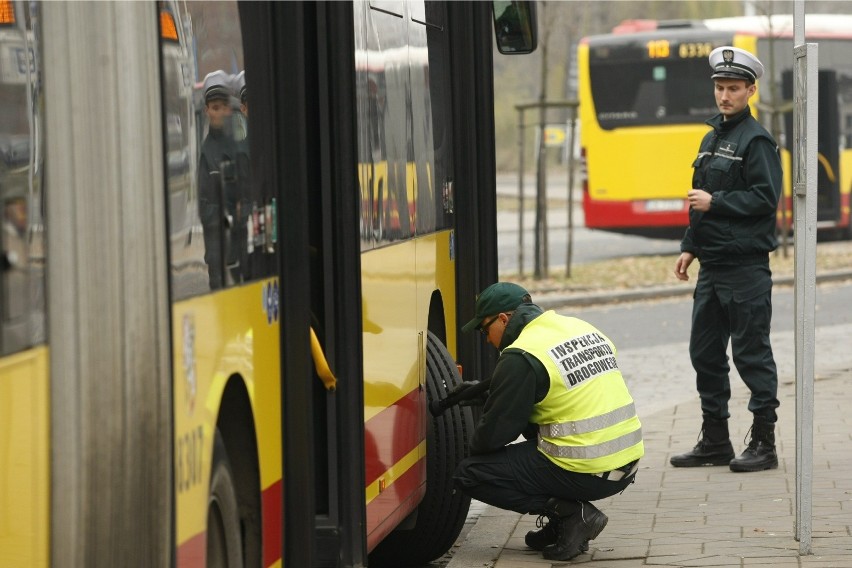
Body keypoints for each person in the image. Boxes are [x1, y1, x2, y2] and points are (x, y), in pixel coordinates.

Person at [452, 282, 644, 561]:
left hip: (589, 467)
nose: (486, 339)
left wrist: (490, 409)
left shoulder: (521, 355)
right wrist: (497, 394)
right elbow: (560, 393)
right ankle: (564, 525)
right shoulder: (578, 328)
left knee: (471, 473)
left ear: (504, 319)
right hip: (626, 462)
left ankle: (571, 515)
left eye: (485, 329)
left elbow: (491, 438)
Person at [670, 46, 783, 473]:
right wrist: (689, 247)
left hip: (745, 267)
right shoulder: (711, 136)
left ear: (751, 90)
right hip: (712, 267)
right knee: (705, 354)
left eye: (733, 88)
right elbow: (696, 199)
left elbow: (765, 198)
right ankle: (715, 440)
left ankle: (763, 443)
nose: (724, 95)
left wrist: (715, 201)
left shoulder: (756, 140)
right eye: (719, 87)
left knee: (751, 356)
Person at [198, 69, 239, 289]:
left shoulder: (240, 145)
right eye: (215, 108)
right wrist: (228, 215)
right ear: (207, 111)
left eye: (223, 107)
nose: (221, 112)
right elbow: (203, 208)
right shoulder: (206, 154)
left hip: (240, 254)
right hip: (218, 257)